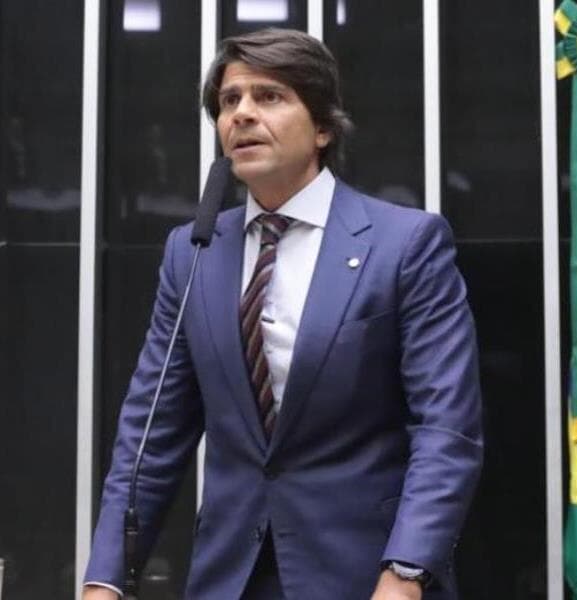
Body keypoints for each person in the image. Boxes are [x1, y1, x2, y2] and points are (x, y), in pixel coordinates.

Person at [83, 28, 483, 600]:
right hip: (230, 576)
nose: (242, 114)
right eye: (229, 101)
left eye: (269, 96)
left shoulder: (405, 244)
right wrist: (104, 580)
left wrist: (405, 572)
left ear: (322, 128)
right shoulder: (193, 251)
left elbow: (446, 428)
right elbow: (152, 431)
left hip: (367, 575)